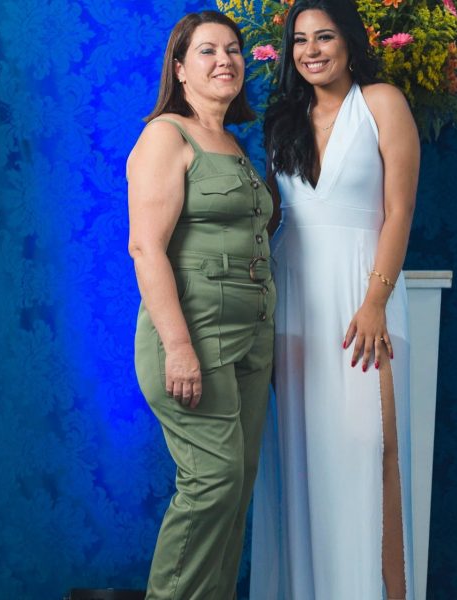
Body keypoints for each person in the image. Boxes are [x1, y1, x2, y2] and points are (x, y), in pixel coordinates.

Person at [250, 0, 420, 598]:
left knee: (373, 452)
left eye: (324, 37)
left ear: (349, 41)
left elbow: (399, 210)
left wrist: (374, 303)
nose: (311, 51)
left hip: (364, 297)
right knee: (303, 459)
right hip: (294, 304)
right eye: (299, 40)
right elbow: (274, 219)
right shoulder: (282, 121)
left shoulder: (382, 103)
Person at [127, 11, 275, 600]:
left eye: (233, 49)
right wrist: (179, 348)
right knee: (213, 482)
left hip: (251, 337)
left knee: (235, 490)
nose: (225, 61)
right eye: (208, 51)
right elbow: (145, 247)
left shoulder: (234, 143)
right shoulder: (167, 135)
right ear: (181, 69)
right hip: (194, 336)